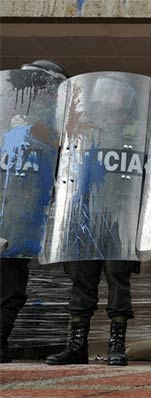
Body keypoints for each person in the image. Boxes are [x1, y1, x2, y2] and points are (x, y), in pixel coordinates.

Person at [45, 74, 151, 366]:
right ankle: (77, 344)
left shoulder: (137, 130)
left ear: (127, 99)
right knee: (82, 279)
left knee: (118, 278)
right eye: (104, 92)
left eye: (115, 92)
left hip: (119, 216)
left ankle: (117, 344)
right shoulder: (85, 130)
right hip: (85, 215)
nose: (107, 98)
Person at [1, 60, 68, 363]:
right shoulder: (13, 122)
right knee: (10, 287)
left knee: (11, 286)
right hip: (15, 217)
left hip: (24, 219)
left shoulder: (55, 127)